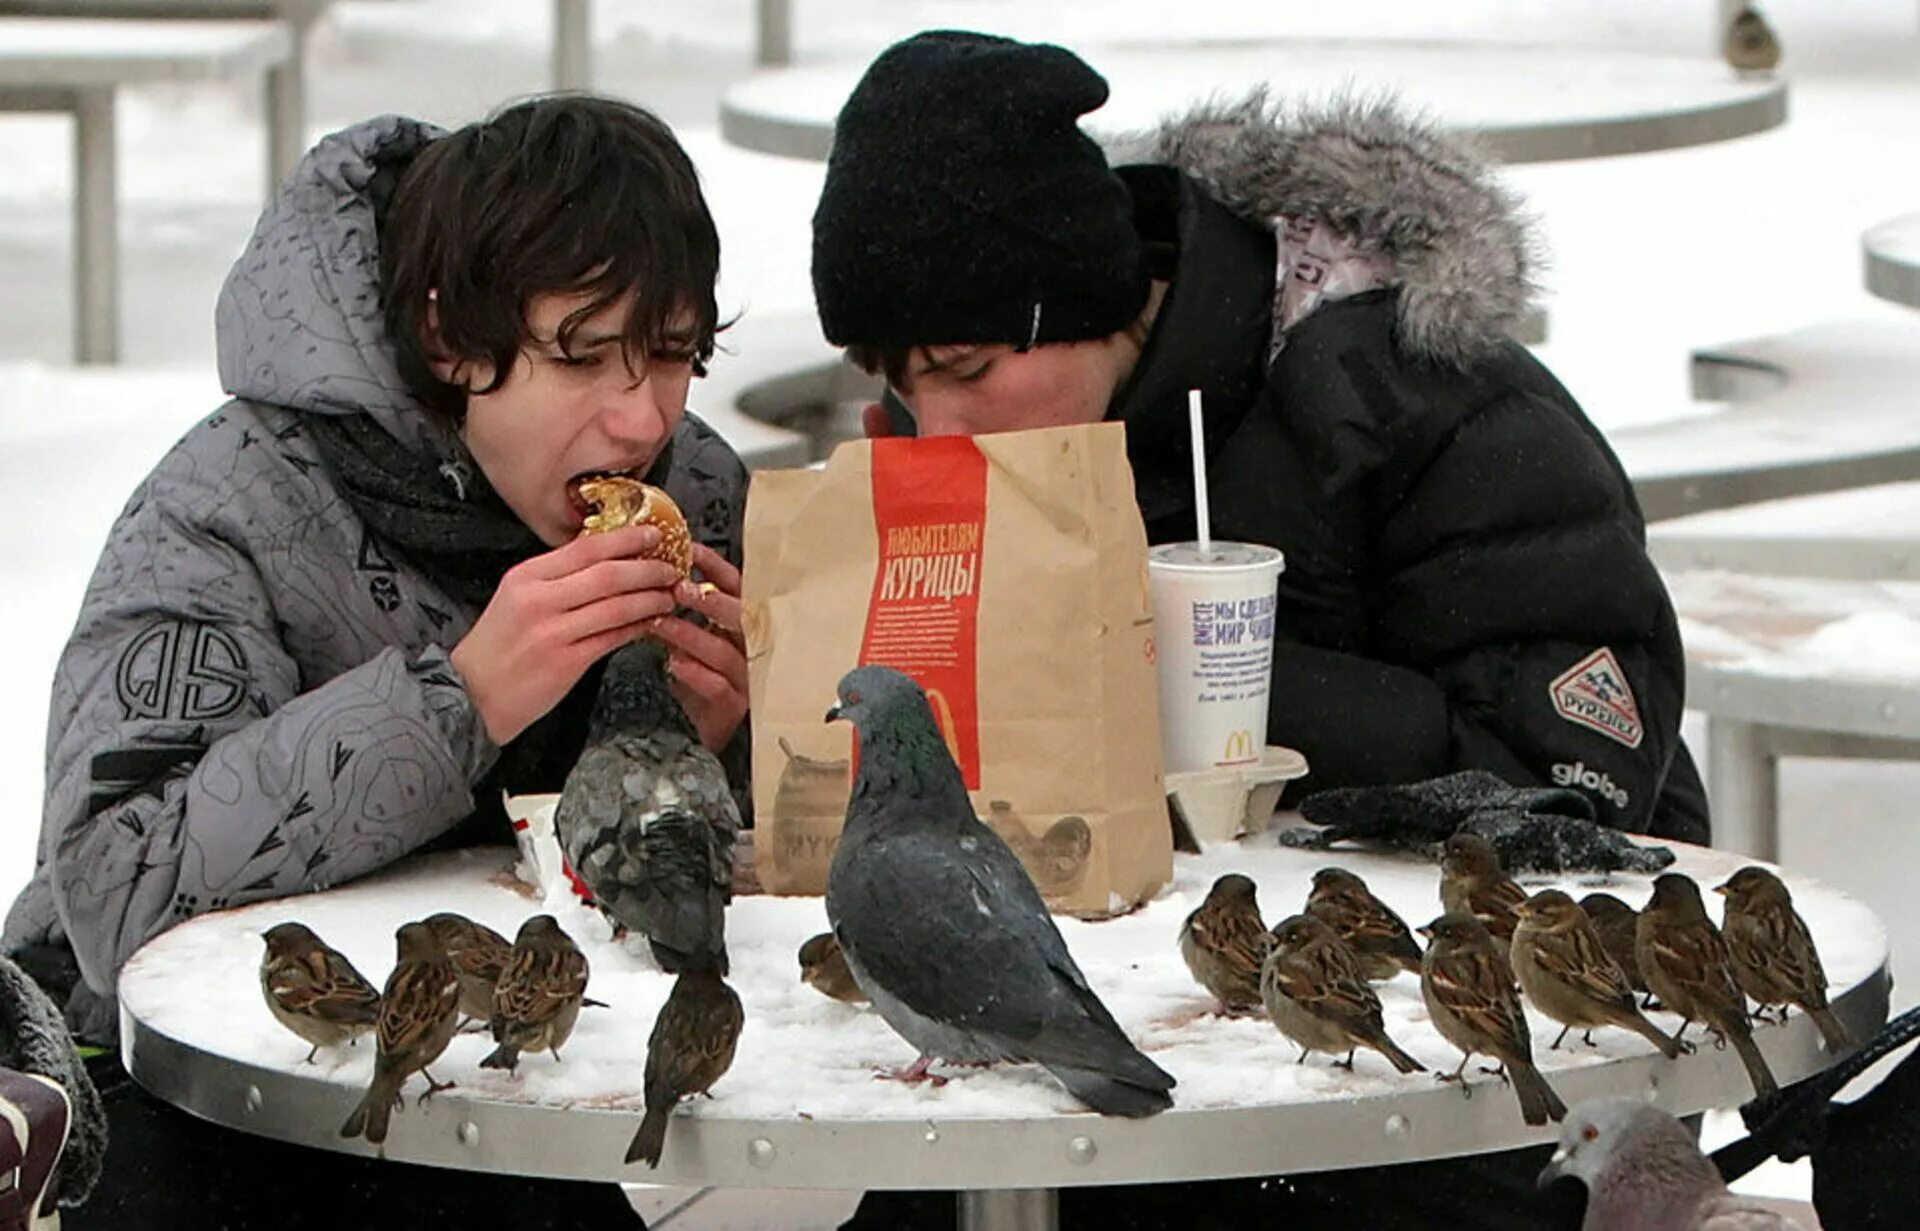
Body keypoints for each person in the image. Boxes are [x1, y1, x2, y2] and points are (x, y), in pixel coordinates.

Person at [810, 29, 1706, 1231]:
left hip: (1462, 1045)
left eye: (967, 366)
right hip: (1119, 995)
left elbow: (1571, 781)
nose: (936, 422)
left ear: (1101, 301)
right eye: (899, 384)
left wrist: (1184, 671)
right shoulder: (1006, 449)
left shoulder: (1422, 397)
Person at [1, 95, 750, 1228]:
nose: (641, 417)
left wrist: (718, 752)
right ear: (449, 339)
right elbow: (114, 888)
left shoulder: (695, 491)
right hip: (182, 1107)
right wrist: (463, 701)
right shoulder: (231, 506)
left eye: (675, 353)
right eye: (586, 354)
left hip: (510, 1081)